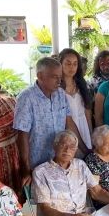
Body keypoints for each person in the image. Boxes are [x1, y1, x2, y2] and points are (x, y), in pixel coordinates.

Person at [32, 130, 109, 216]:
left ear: (75, 150)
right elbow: (45, 209)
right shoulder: (41, 172)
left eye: (72, 147)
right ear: (55, 146)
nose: (67, 150)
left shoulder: (80, 165)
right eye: (63, 145)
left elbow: (97, 191)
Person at [15, 57, 88, 185]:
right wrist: (25, 168)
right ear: (40, 76)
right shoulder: (26, 98)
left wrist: (85, 150)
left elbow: (69, 123)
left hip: (60, 159)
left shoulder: (60, 94)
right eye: (54, 77)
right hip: (38, 163)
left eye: (60, 77)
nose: (59, 81)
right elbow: (22, 135)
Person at [59, 48, 93, 154]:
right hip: (65, 129)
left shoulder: (82, 85)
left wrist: (91, 133)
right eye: (68, 63)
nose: (72, 67)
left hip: (83, 128)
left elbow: (87, 111)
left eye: (75, 64)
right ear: (60, 64)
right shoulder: (57, 88)